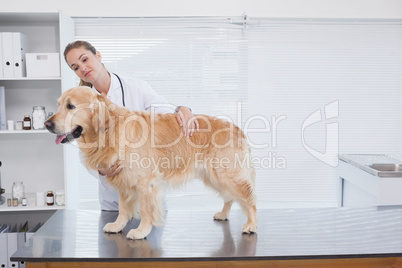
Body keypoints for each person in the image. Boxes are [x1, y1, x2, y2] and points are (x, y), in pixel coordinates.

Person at [64, 40, 198, 210]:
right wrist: (101, 170)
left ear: (98, 55)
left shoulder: (135, 87)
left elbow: (164, 112)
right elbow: (86, 150)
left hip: (147, 195)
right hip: (113, 203)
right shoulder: (80, 103)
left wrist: (182, 109)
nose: (82, 68)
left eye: (85, 59)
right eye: (75, 67)